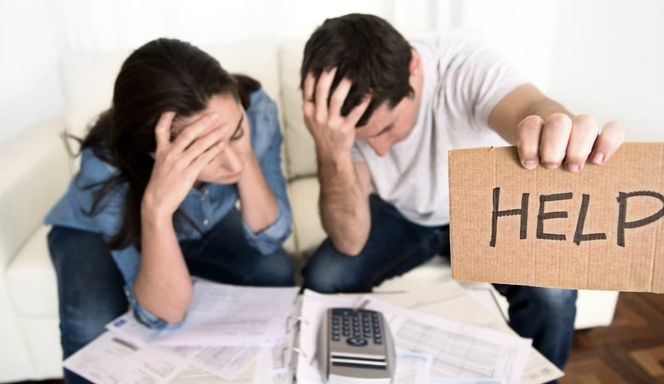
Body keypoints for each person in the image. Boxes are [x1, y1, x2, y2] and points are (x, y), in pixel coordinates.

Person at [299, 13, 624, 375]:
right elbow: (349, 242)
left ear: (414, 69)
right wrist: (333, 150)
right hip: (401, 212)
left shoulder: (464, 66)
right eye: (361, 140)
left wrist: (553, 126)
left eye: (388, 127)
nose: (377, 151)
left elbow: (531, 109)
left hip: (483, 208)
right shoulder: (337, 118)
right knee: (325, 277)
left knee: (552, 292)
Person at [45, 38, 294, 383]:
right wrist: (157, 210)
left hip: (198, 222)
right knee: (89, 326)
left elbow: (271, 238)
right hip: (93, 232)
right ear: (154, 151)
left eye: (236, 132)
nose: (231, 164)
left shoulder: (256, 111)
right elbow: (162, 315)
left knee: (276, 270)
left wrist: (240, 139)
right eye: (204, 151)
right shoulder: (105, 168)